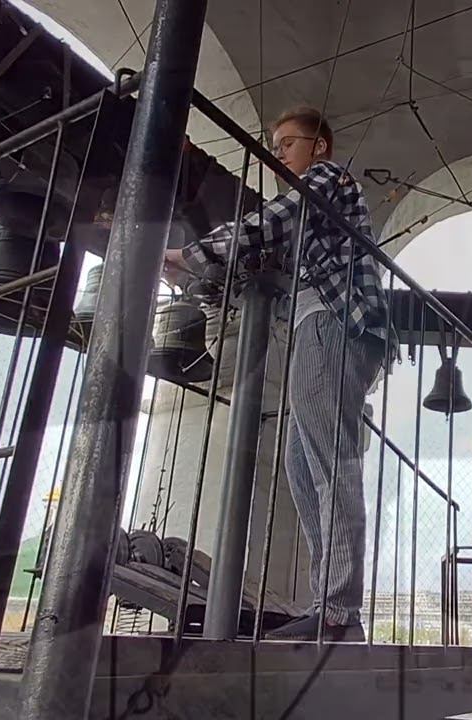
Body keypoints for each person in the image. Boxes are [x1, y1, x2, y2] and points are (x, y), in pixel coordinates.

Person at [164, 106, 391, 642]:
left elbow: (270, 222)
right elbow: (271, 246)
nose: (277, 155)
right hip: (324, 325)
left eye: (287, 143)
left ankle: (338, 614)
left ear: (318, 147)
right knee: (301, 465)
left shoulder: (326, 179)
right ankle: (329, 602)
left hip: (333, 321)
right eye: (274, 146)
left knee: (330, 461)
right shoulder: (316, 212)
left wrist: (191, 254)